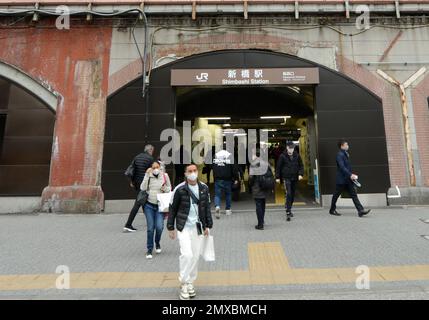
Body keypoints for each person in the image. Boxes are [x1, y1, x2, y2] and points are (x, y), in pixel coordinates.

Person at [168, 164, 213, 300]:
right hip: (184, 227)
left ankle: (190, 282)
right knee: (187, 255)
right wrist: (171, 227)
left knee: (195, 257)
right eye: (190, 171)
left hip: (198, 228)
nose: (193, 173)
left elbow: (206, 208)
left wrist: (208, 226)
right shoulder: (179, 189)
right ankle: (183, 283)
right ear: (185, 173)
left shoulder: (204, 188)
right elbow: (172, 209)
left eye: (194, 170)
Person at [329, 139, 371, 217]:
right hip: (341, 180)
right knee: (336, 195)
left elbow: (347, 167)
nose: (348, 146)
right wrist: (350, 175)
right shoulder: (339, 155)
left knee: (354, 194)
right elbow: (342, 167)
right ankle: (332, 209)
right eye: (346, 145)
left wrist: (351, 175)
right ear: (342, 146)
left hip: (348, 179)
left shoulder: (345, 154)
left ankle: (360, 210)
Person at [140, 161, 172, 259]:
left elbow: (169, 188)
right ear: (151, 168)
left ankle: (157, 242)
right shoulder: (148, 176)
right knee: (150, 228)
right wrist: (146, 175)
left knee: (159, 227)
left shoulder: (165, 176)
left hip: (160, 206)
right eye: (153, 168)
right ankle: (149, 249)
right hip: (149, 206)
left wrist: (164, 188)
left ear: (160, 167)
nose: (155, 169)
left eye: (157, 167)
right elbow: (142, 188)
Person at [123, 144, 155, 232]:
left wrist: (131, 181)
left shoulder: (137, 157)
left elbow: (131, 170)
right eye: (153, 151)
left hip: (136, 184)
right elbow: (152, 172)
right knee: (138, 204)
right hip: (144, 185)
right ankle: (128, 225)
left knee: (143, 203)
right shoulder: (150, 159)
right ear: (151, 150)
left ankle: (151, 221)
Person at [276, 141, 304, 221]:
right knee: (288, 193)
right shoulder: (282, 156)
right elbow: (278, 167)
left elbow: (301, 165)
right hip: (286, 177)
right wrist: (277, 177)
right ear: (287, 148)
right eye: (290, 148)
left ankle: (289, 207)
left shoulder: (297, 156)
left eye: (293, 148)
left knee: (292, 194)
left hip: (295, 178)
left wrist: (300, 174)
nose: (291, 150)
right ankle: (288, 211)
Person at [249, 155, 274, 230]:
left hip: (257, 188)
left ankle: (260, 225)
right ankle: (262, 221)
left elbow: (251, 178)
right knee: (263, 204)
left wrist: (250, 185)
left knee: (258, 206)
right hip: (265, 187)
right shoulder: (266, 163)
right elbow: (271, 175)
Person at [212, 149, 239, 219]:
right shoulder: (230, 156)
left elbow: (211, 166)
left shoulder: (215, 156)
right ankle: (228, 210)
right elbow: (234, 169)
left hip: (218, 179)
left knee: (217, 195)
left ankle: (217, 206)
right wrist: (236, 178)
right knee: (228, 194)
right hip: (228, 179)